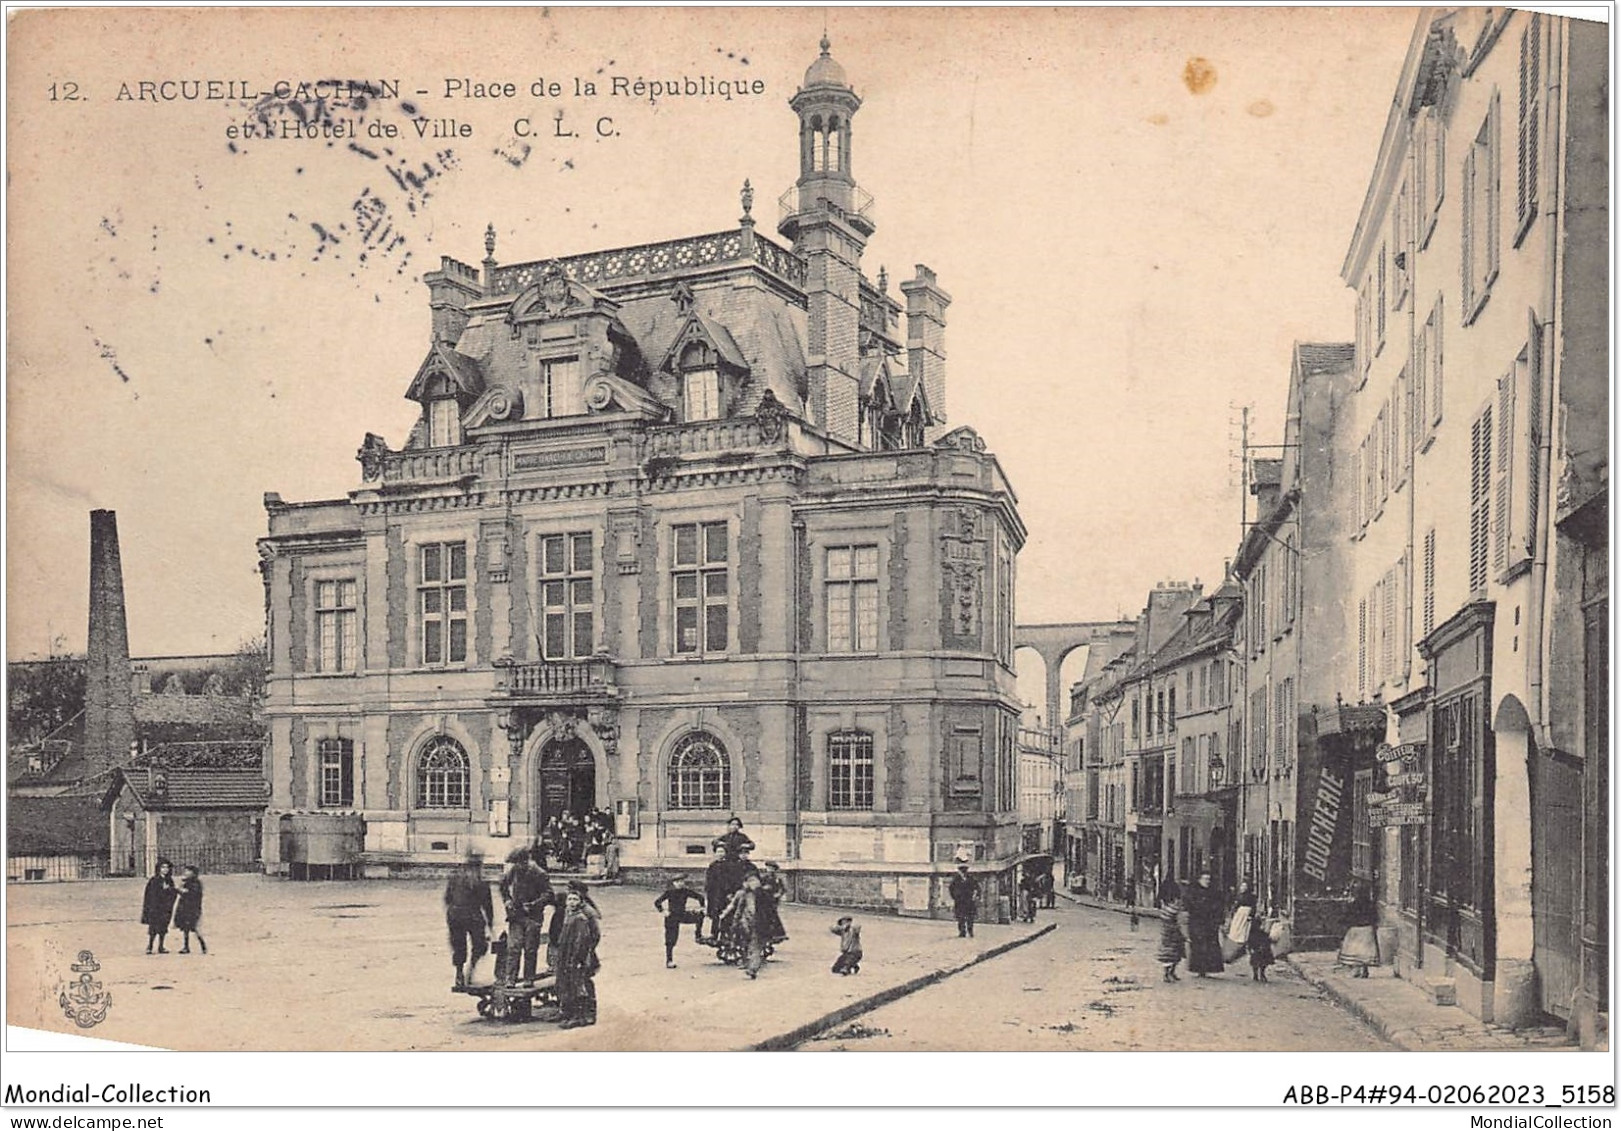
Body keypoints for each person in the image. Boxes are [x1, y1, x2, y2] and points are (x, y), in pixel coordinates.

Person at [499, 848, 552, 985]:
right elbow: (503, 885)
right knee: (513, 948)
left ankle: (529, 979)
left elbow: (548, 894)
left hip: (533, 917)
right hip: (516, 915)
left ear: (525, 861)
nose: (517, 866)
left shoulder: (539, 873)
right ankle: (510, 979)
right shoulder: (514, 871)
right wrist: (507, 900)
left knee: (530, 948)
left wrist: (534, 904)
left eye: (519, 863)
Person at [444, 850, 494, 989]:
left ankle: (459, 974)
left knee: (458, 945)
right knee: (480, 945)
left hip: (455, 915)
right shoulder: (482, 882)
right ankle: (470, 970)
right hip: (472, 916)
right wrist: (490, 924)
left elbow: (447, 898)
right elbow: (488, 905)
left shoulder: (454, 877)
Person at [554, 890, 601, 1029]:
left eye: (575, 899)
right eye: (570, 899)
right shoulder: (569, 915)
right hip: (566, 956)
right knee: (568, 985)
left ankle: (578, 1016)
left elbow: (581, 941)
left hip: (575, 958)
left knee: (577, 987)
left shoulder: (580, 918)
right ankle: (571, 1014)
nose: (572, 902)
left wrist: (576, 959)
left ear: (580, 902)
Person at [721, 871, 768, 979]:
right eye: (750, 881)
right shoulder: (743, 894)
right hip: (745, 923)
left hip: (759, 924)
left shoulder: (763, 894)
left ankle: (753, 969)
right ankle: (746, 962)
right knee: (744, 944)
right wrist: (725, 915)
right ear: (745, 883)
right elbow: (735, 907)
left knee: (756, 946)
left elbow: (770, 910)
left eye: (755, 881)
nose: (753, 884)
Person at [654, 873, 705, 968]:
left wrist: (702, 908)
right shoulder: (669, 892)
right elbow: (657, 902)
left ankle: (698, 935)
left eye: (682, 882)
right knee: (671, 938)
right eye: (678, 882)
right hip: (672, 916)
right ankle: (669, 961)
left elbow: (700, 897)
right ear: (674, 883)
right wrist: (663, 911)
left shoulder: (685, 891)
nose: (680, 884)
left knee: (700, 916)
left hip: (682, 914)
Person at [1183, 870, 1225, 977]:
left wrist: (1218, 919)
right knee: (1198, 945)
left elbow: (1220, 906)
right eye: (1205, 879)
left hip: (1210, 923)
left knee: (1210, 946)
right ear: (1199, 880)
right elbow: (1189, 905)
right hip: (1197, 922)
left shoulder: (1214, 893)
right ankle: (1199, 969)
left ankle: (1208, 969)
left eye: (1209, 879)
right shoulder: (1193, 892)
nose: (1207, 881)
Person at [1338, 884, 1379, 978]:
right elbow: (1375, 917)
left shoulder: (1353, 904)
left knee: (1355, 950)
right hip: (1367, 929)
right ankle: (1364, 970)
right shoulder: (1370, 904)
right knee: (1365, 951)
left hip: (1356, 929)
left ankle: (1356, 970)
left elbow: (1348, 916)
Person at [141, 858, 178, 955]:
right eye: (163, 867)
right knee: (153, 928)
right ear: (159, 869)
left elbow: (173, 893)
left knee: (163, 927)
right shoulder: (154, 880)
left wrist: (170, 891)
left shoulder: (169, 880)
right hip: (156, 908)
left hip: (166, 908)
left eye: (167, 867)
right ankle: (150, 946)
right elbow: (151, 895)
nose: (165, 869)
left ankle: (161, 946)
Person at [173, 865, 207, 955]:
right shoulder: (186, 882)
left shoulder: (196, 883)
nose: (185, 872)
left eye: (188, 871)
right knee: (185, 928)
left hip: (192, 908)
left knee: (195, 928)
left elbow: (191, 893)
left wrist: (180, 889)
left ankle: (202, 945)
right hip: (185, 908)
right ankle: (186, 946)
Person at [758, 861, 789, 945]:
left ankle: (777, 934)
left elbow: (782, 889)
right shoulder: (763, 878)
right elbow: (759, 887)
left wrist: (778, 894)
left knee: (773, 915)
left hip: (773, 900)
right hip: (765, 899)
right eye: (768, 868)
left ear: (775, 869)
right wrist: (764, 888)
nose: (770, 870)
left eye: (772, 868)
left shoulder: (777, 879)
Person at [1157, 895, 1185, 982]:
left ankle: (1170, 973)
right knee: (1170, 956)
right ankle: (1168, 974)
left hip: (1171, 936)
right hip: (1172, 936)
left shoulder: (1167, 911)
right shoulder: (1174, 911)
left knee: (1173, 956)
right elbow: (1179, 922)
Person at [948, 862, 978, 938]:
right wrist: (955, 897)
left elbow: (976, 888)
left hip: (969, 901)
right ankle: (962, 932)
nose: (963, 872)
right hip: (960, 901)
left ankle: (970, 931)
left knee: (970, 917)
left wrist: (974, 896)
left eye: (964, 870)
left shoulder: (971, 878)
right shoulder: (956, 879)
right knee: (960, 917)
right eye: (961, 870)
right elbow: (951, 889)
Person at [1247, 912, 1276, 982]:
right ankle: (1260, 974)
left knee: (1256, 961)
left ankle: (1257, 974)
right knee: (1261, 961)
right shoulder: (1260, 933)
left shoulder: (1252, 933)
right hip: (1260, 947)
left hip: (1257, 947)